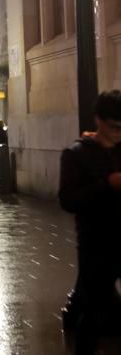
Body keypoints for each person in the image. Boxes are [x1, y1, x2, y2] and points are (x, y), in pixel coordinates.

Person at [58, 91, 121, 354]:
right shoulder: (76, 154)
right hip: (96, 243)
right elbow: (68, 200)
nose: (119, 131)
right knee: (94, 313)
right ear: (99, 120)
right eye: (114, 126)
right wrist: (107, 185)